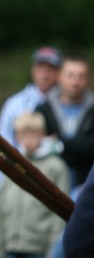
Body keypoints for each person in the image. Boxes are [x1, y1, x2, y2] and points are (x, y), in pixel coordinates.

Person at [0, 112, 69, 258]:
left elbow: (61, 213)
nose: (28, 140)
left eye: (33, 134)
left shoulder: (56, 167)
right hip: (10, 246)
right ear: (17, 136)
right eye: (23, 135)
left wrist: (53, 251)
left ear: (43, 134)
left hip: (39, 248)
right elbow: (0, 212)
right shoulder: (11, 164)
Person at [0, 46, 62, 191]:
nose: (45, 73)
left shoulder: (66, 104)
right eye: (40, 67)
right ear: (33, 70)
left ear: (59, 73)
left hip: (56, 181)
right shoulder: (14, 104)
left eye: (50, 68)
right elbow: (2, 146)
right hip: (19, 180)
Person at [35, 54, 94, 189]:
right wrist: (80, 147)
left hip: (87, 188)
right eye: (70, 75)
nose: (75, 81)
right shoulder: (43, 110)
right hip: (49, 187)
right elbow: (35, 146)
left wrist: (60, 144)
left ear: (88, 80)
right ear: (59, 76)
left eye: (81, 76)